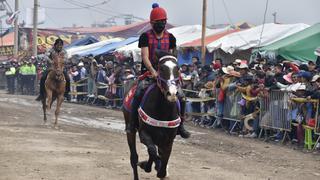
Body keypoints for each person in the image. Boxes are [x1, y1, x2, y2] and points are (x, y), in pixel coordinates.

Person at [126, 3, 190, 138]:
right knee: (138, 93)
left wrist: (173, 73)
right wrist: (153, 72)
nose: (161, 24)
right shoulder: (145, 37)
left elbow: (172, 57)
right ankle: (132, 124)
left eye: (163, 22)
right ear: (152, 23)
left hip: (167, 75)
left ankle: (181, 125)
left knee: (182, 96)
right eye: (158, 22)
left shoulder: (171, 38)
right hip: (150, 73)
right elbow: (145, 57)